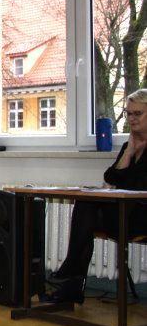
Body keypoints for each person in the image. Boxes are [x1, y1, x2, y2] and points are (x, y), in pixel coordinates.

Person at [46, 89, 147, 303]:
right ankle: (73, 280)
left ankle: (71, 275)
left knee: (87, 209)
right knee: (87, 204)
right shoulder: (131, 146)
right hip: (123, 213)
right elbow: (110, 179)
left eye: (137, 113)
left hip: (142, 217)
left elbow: (136, 184)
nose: (130, 119)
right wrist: (129, 153)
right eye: (128, 113)